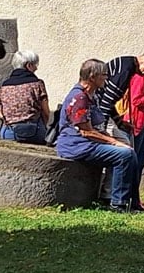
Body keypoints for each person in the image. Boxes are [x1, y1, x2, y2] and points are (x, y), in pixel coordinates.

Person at [56, 58, 138, 211]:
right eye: (104, 75)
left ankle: (129, 201)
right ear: (92, 77)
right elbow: (86, 131)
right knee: (124, 155)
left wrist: (114, 139)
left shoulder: (92, 96)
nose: (107, 79)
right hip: (77, 145)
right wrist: (113, 142)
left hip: (87, 143)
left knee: (129, 152)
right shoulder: (79, 98)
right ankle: (118, 203)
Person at [113, 50, 144, 211]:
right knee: (134, 163)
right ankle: (125, 200)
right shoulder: (140, 77)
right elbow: (136, 100)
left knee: (140, 163)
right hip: (136, 123)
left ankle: (134, 200)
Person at [0, 50, 50, 144]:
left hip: (9, 132)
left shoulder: (3, 86)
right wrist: (45, 128)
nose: (36, 68)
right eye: (35, 65)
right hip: (34, 131)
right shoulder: (37, 84)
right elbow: (45, 112)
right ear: (28, 65)